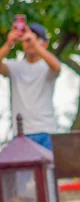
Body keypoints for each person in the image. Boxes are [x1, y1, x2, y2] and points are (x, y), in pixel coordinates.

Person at [0, 20, 61, 150]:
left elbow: (57, 67)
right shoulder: (15, 67)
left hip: (46, 131)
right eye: (27, 38)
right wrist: (9, 44)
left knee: (48, 170)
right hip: (21, 134)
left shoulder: (47, 67)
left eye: (36, 37)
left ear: (45, 44)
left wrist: (35, 44)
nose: (30, 41)